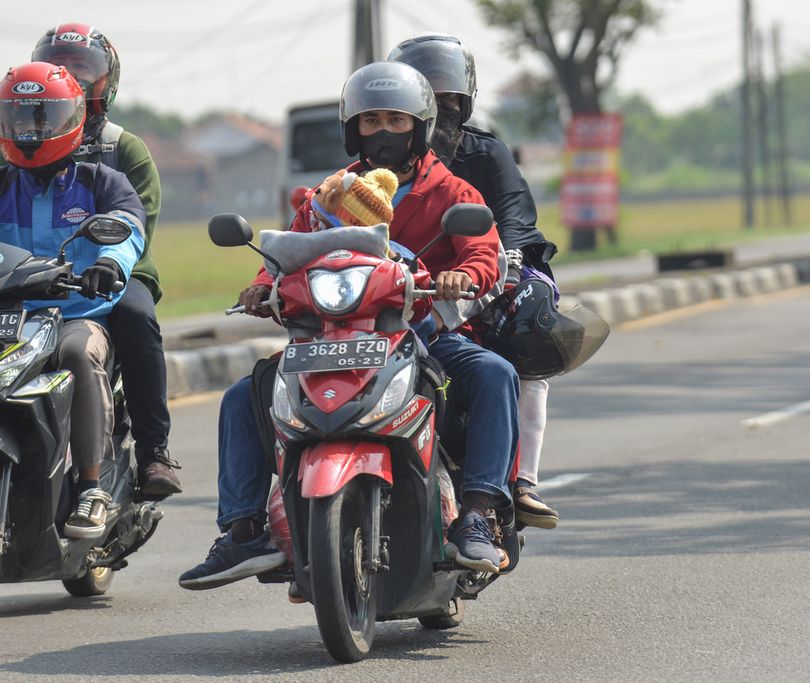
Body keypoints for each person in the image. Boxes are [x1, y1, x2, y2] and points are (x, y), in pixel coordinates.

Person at [178, 61, 519, 590]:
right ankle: (243, 530)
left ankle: (478, 513)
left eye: (396, 120)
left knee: (495, 373)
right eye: (370, 121)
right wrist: (259, 285)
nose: (383, 132)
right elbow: (286, 256)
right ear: (351, 129)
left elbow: (483, 253)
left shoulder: (452, 193)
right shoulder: (327, 197)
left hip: (423, 338)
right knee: (243, 396)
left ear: (422, 126)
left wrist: (461, 275)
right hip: (332, 342)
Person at [0, 24, 178, 545]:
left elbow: (130, 226)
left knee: (119, 330)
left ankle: (135, 461)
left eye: (45, 116)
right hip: (11, 293)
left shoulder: (116, 162)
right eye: (20, 118)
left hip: (91, 291)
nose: (31, 130)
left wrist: (108, 264)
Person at [389, 33, 560, 529]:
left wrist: (494, 261)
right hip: (411, 284)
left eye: (447, 104)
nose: (437, 116)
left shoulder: (484, 155)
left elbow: (513, 216)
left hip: (496, 269)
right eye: (424, 105)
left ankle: (520, 481)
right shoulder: (370, 169)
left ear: (463, 106)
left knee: (528, 331)